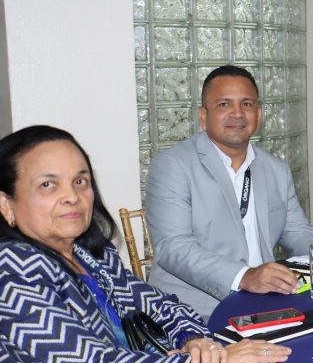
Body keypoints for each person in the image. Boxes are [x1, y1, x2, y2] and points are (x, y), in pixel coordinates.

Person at [0, 125, 290, 362]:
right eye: (47, 185)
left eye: (80, 181)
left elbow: (165, 306)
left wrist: (193, 341)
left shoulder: (92, 257)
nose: (72, 197)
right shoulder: (12, 271)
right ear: (6, 204)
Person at [146, 65, 313, 320]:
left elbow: (296, 232)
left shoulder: (276, 169)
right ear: (203, 117)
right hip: (192, 314)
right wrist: (245, 276)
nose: (237, 113)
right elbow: (173, 247)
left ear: (258, 115)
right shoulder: (173, 165)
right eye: (224, 104)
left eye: (246, 104)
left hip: (266, 304)